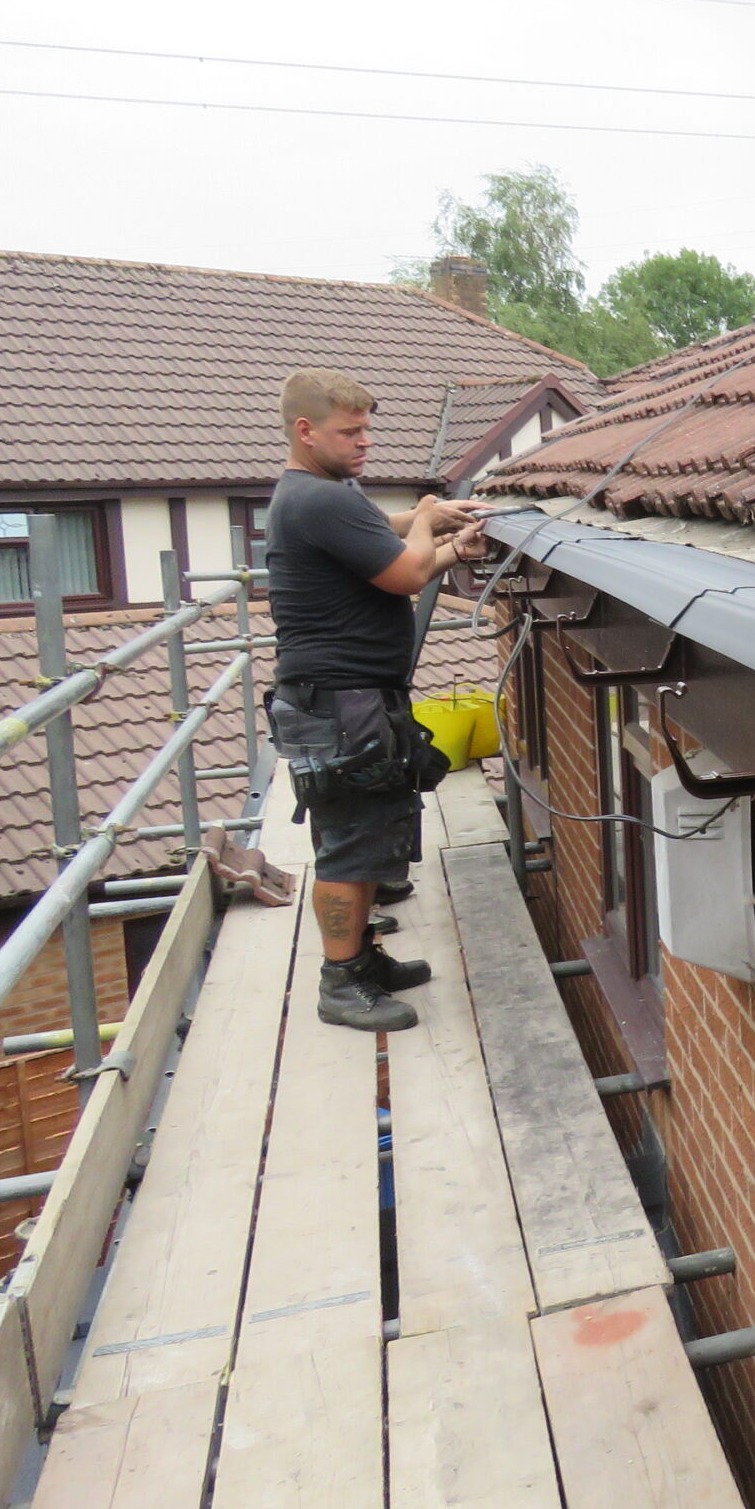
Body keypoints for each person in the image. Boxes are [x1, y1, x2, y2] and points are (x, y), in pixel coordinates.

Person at [264, 369, 488, 1032]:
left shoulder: (323, 494)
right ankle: (340, 984)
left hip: (350, 702)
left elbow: (383, 539)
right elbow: (404, 572)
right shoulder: (317, 497)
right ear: (305, 431)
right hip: (338, 706)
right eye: (350, 432)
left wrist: (446, 541)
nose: (365, 442)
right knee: (346, 845)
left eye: (368, 428)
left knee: (364, 839)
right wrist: (425, 523)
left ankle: (362, 961)